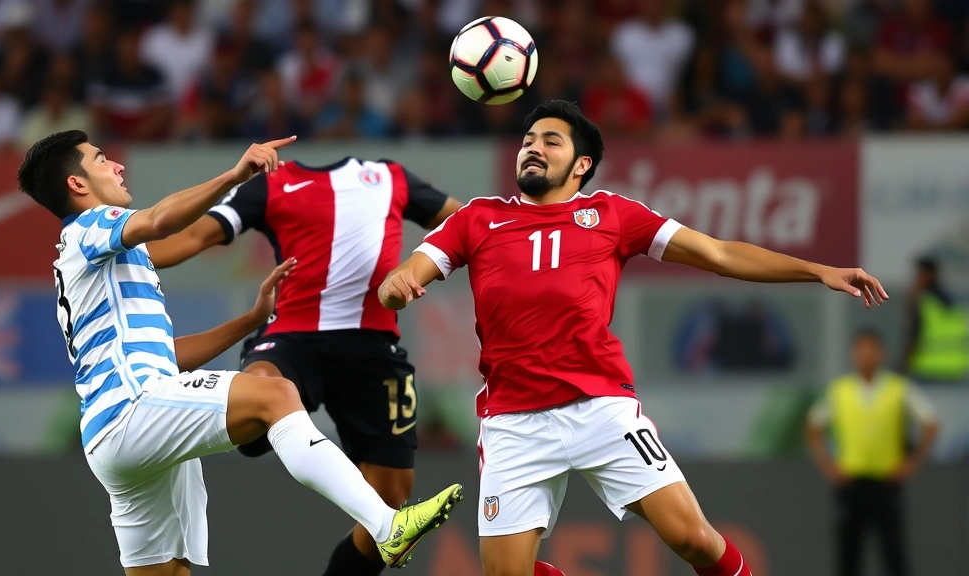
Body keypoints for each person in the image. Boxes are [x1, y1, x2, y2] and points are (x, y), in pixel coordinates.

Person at [378, 100, 888, 576]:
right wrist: (397, 287)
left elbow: (719, 254)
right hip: (513, 422)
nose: (533, 147)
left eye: (551, 141)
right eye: (529, 139)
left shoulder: (613, 215)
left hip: (601, 408)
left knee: (693, 539)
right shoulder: (477, 219)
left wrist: (817, 270)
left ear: (581, 164)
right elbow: (403, 280)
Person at [16, 130, 463, 575]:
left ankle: (385, 524)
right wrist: (233, 175)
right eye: (100, 160)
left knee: (167, 572)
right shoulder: (91, 225)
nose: (116, 165)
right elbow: (158, 223)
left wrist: (251, 322)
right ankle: (387, 526)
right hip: (135, 410)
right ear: (77, 185)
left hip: (116, 435)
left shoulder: (97, 259)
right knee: (275, 395)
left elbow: (168, 354)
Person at [144, 154, 461, 576]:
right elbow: (193, 237)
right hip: (291, 338)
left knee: (389, 504)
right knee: (262, 387)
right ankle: (251, 422)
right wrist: (117, 253)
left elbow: (466, 224)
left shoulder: (391, 176)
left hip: (374, 348)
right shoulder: (270, 182)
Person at [807, 328, 939, 576]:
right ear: (853, 354)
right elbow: (813, 426)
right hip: (851, 482)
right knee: (848, 556)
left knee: (894, 554)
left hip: (886, 482)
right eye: (861, 350)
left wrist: (911, 463)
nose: (866, 356)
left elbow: (931, 423)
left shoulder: (898, 388)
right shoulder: (840, 390)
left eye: (871, 350)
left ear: (881, 354)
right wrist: (828, 465)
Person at [901, 257, 969, 382]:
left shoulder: (922, 302)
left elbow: (914, 338)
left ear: (928, 275)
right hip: (956, 372)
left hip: (927, 372)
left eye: (919, 274)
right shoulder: (956, 304)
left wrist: (902, 368)